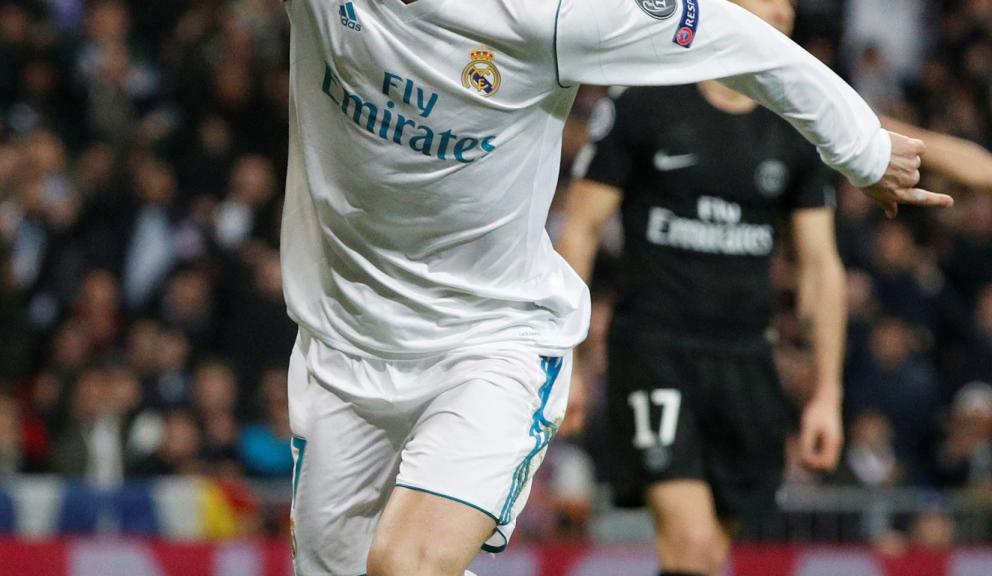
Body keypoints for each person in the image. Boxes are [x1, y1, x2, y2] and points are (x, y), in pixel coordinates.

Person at [280, 0, 951, 574]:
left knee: (404, 565)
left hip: (489, 345)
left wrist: (863, 147)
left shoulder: (552, 16)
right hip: (342, 348)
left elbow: (734, 35)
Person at [555, 2, 982, 575]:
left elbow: (819, 265)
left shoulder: (795, 124)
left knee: (708, 557)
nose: (782, 8)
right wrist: (570, 359)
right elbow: (580, 228)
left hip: (749, 362)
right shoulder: (645, 99)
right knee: (692, 544)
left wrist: (827, 394)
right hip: (656, 352)